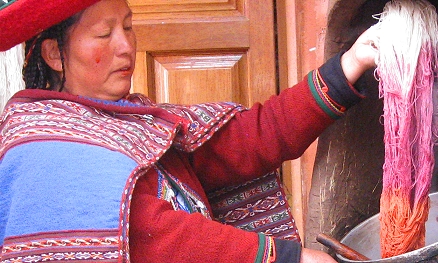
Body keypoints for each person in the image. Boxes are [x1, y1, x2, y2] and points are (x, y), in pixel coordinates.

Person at [0, 0, 378, 262]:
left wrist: (350, 64)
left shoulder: (140, 124)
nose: (125, 46)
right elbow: (150, 234)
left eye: (128, 27)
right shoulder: (40, 144)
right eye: (104, 35)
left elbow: (249, 139)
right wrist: (288, 258)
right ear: (53, 54)